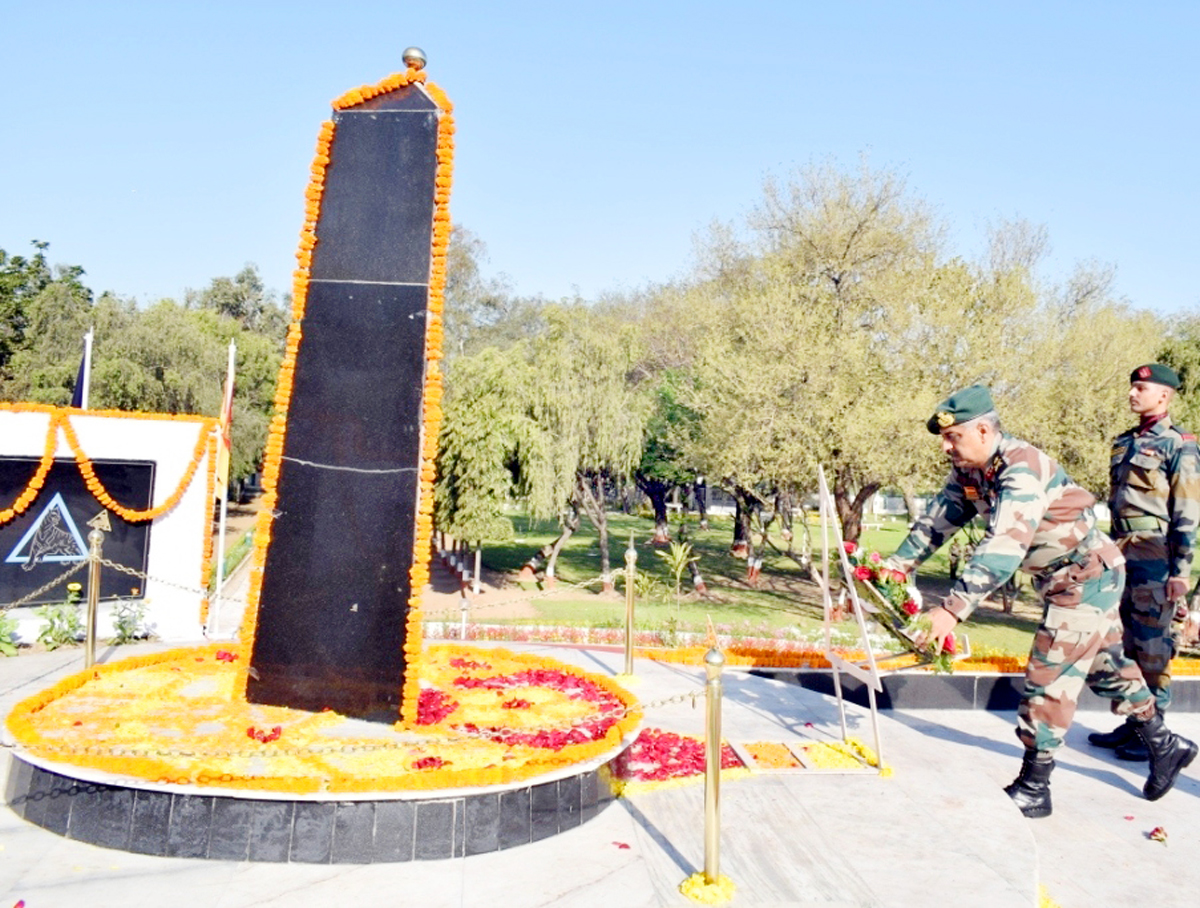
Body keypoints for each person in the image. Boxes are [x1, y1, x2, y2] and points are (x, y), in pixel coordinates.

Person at [885, 384, 1196, 818]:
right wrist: (893, 569)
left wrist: (952, 609)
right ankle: (1165, 745)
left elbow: (1004, 547)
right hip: (1069, 578)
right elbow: (936, 522)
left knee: (1048, 676)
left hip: (1087, 577)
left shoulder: (1021, 469)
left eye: (952, 436)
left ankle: (1035, 786)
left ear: (980, 430)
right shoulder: (971, 471)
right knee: (1107, 667)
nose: (945, 445)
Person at [1089, 363, 1200, 760]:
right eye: (1132, 387)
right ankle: (1137, 722)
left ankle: (1158, 737)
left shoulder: (1179, 444)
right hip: (1122, 551)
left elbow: (1187, 509)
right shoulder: (1124, 442)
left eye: (1141, 388)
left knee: (1155, 644)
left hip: (1156, 556)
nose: (1133, 394)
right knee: (1129, 640)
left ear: (1164, 396)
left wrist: (1181, 573)